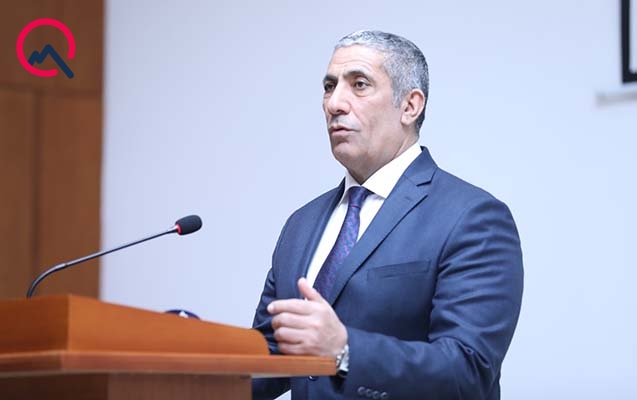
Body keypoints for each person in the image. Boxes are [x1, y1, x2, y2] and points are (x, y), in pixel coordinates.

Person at [251, 30, 523, 400]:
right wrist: (186, 353)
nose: (335, 103)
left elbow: (468, 372)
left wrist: (345, 350)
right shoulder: (301, 224)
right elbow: (269, 356)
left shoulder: (473, 218)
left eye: (359, 85)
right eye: (329, 87)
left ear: (410, 106)